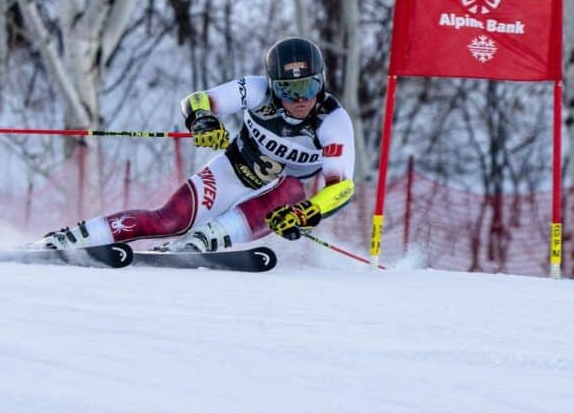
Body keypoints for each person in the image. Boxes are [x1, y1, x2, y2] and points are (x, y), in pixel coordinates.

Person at [34, 36, 356, 253]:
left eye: (309, 86)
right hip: (230, 173)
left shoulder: (332, 121)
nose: (301, 99)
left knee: (293, 190)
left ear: (322, 81)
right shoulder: (257, 91)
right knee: (167, 221)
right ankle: (75, 237)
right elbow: (198, 100)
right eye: (288, 89)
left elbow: (341, 188)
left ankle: (205, 240)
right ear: (273, 86)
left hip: (272, 201)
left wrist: (307, 213)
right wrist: (202, 120)